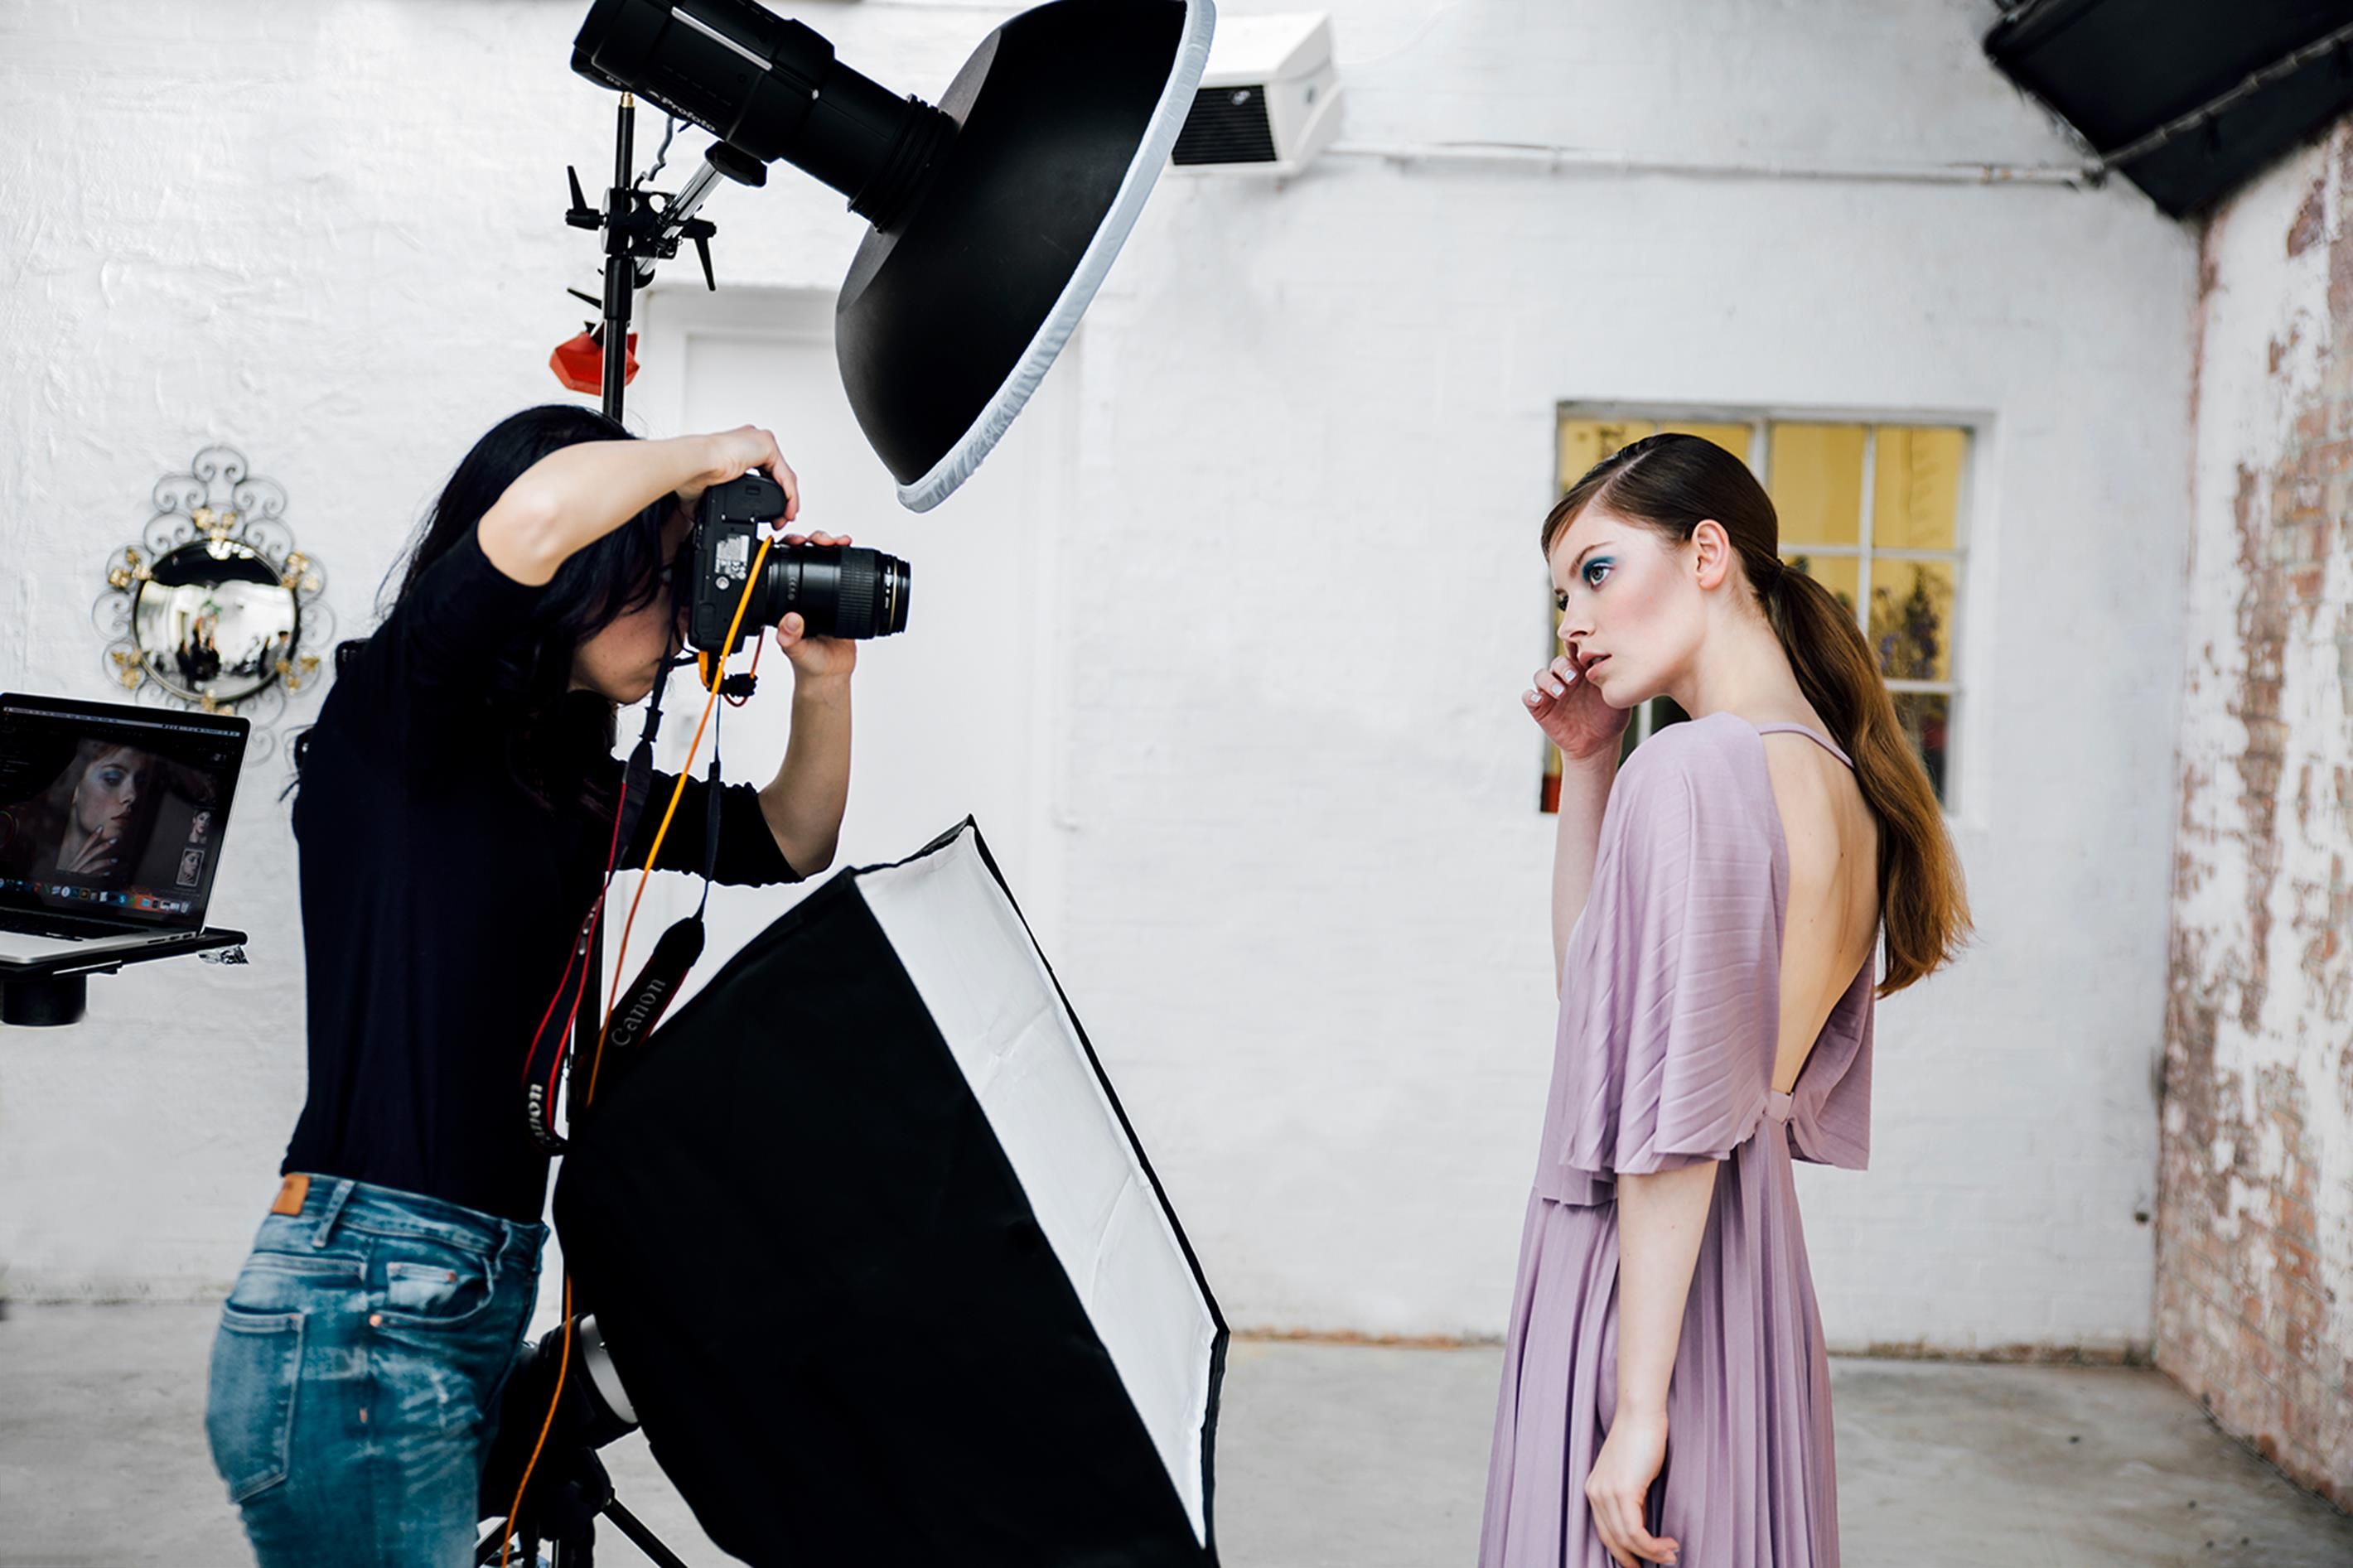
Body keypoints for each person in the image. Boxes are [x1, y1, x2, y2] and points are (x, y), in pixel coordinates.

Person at [203, 405, 861, 1566]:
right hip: (363, 1302)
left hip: (451, 1292)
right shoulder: (406, 715)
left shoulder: (568, 783)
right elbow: (538, 513)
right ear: (578, 574)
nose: (686, 618)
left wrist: (823, 681)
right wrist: (707, 461)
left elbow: (791, 838)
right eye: (665, 578)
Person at [1481, 433, 1971, 1568]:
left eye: (1597, 570)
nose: (1572, 622)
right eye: (1561, 596)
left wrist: (1635, 1406)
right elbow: (1601, 1004)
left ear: (1707, 554)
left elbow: (1678, 1119)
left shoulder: (1696, 770)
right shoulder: (1836, 776)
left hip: (1645, 1285)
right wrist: (1590, 763)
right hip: (1747, 1280)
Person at [41, 740, 160, 886]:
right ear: (74, 785)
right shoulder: (32, 863)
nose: (132, 796)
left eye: (140, 782)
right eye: (112, 779)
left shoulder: (133, 875)